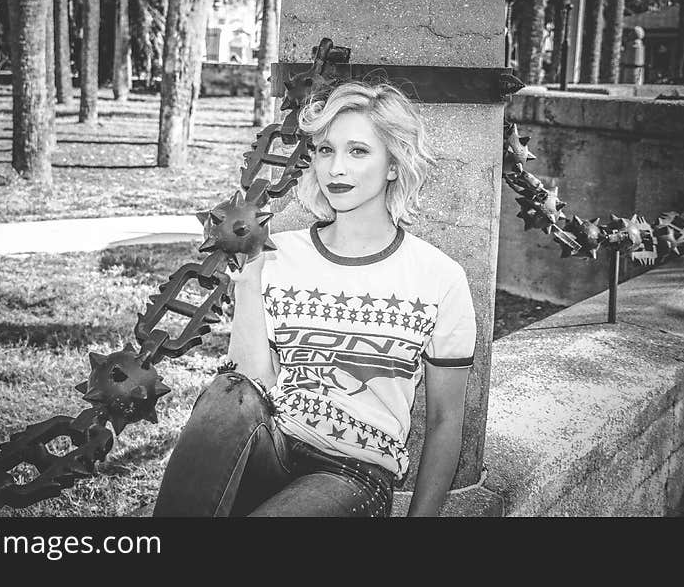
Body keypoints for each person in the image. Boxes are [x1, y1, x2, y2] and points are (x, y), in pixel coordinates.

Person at [152, 81, 477, 517]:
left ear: (394, 165)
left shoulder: (439, 278)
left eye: (358, 151)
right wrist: (249, 283)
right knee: (225, 392)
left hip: (354, 473)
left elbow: (445, 423)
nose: (336, 168)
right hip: (271, 442)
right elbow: (248, 385)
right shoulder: (277, 253)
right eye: (325, 150)